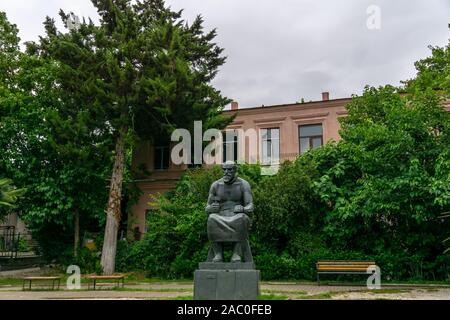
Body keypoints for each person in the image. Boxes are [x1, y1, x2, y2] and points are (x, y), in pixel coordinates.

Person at [205, 161, 254, 262]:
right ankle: (218, 254)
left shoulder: (243, 184)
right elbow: (207, 208)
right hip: (220, 215)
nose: (226, 172)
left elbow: (250, 205)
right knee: (211, 218)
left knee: (242, 218)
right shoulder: (216, 185)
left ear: (235, 170)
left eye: (229, 169)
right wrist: (211, 208)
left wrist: (243, 209)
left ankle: (237, 254)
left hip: (237, 216)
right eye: (224, 170)